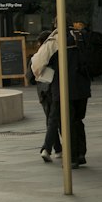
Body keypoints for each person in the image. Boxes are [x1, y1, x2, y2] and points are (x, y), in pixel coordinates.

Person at [39, 26, 92, 167]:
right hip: (82, 87)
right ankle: (81, 153)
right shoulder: (82, 37)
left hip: (62, 88)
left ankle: (72, 157)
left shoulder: (54, 40)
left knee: (66, 122)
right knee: (78, 121)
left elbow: (37, 64)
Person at [30, 29, 60, 161]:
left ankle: (58, 148)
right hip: (54, 89)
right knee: (55, 119)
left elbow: (31, 75)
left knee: (50, 119)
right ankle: (47, 148)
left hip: (42, 91)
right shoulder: (55, 50)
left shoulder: (39, 54)